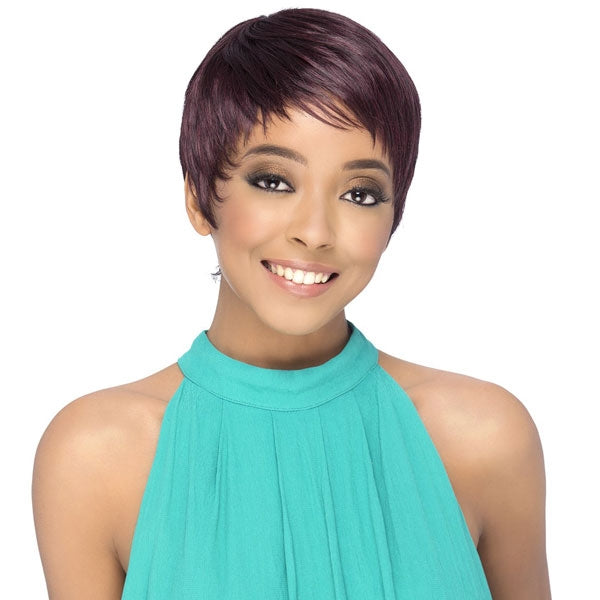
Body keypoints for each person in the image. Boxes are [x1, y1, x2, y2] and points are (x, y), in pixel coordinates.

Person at [32, 8, 551, 599]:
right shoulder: (94, 456)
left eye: (361, 193)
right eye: (273, 181)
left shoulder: (485, 438)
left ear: (394, 217)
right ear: (199, 199)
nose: (315, 231)